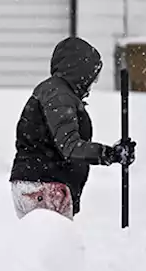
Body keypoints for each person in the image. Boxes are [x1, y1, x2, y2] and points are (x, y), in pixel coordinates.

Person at [10, 37, 136, 219]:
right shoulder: (58, 94)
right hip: (45, 185)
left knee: (44, 245)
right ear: (79, 70)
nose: (91, 83)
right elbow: (70, 146)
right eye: (91, 75)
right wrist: (110, 154)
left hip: (37, 184)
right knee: (56, 246)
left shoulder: (55, 92)